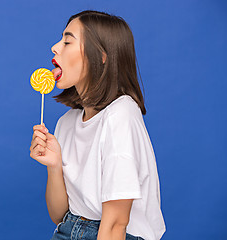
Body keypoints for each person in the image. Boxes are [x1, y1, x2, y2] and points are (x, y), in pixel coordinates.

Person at [29, 10, 166, 240]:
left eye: (67, 41)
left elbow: (115, 225)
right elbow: (60, 215)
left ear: (101, 56)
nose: (55, 47)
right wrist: (54, 167)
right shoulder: (66, 123)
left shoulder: (121, 113)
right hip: (66, 231)